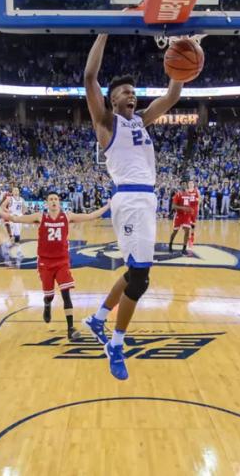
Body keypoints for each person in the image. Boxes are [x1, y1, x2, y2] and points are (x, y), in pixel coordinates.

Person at [80, 34, 185, 380]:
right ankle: (116, 343)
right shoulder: (107, 124)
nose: (131, 94)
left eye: (132, 91)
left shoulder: (141, 120)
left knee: (133, 273)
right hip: (128, 198)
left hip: (146, 200)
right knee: (139, 280)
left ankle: (98, 318)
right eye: (123, 92)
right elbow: (89, 78)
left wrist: (180, 55)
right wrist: (105, 30)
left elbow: (171, 96)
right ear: (111, 101)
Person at [0, 193, 110, 340]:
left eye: (56, 199)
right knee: (49, 295)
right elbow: (14, 218)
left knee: (66, 293)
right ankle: (47, 305)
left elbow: (91, 216)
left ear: (59, 202)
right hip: (45, 262)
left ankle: (70, 328)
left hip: (62, 261)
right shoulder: (40, 217)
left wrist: (108, 206)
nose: (53, 201)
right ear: (46, 203)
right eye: (51, 199)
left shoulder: (67, 216)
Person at [168, 181, 195, 254]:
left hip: (186, 216)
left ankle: (184, 248)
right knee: (175, 232)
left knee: (187, 231)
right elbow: (173, 206)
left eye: (185, 184)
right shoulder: (178, 194)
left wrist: (191, 210)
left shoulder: (189, 195)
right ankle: (170, 244)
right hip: (179, 216)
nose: (184, 185)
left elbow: (190, 205)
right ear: (180, 185)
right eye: (182, 184)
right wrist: (183, 208)